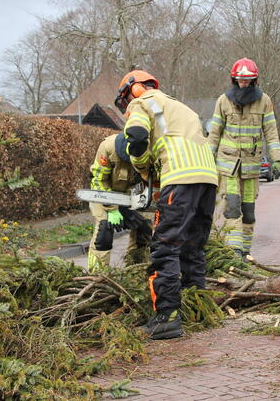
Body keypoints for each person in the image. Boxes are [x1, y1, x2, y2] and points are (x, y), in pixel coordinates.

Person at [115, 69, 218, 340]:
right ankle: (197, 309)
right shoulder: (182, 107)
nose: (127, 105)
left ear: (134, 89)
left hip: (180, 177)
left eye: (126, 98)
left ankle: (167, 317)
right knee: (192, 248)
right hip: (207, 178)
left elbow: (136, 137)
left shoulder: (142, 103)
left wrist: (142, 165)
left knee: (164, 248)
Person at [207, 58, 280, 259]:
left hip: (251, 167)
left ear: (254, 80)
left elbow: (271, 132)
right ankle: (234, 253)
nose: (243, 83)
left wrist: (277, 159)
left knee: (248, 211)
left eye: (247, 80)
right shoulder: (223, 101)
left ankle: (246, 252)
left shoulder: (264, 101)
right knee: (232, 207)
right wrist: (207, 159)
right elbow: (214, 133)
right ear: (234, 79)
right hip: (228, 166)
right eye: (240, 79)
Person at [87, 133, 152, 271]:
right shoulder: (108, 148)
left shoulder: (149, 150)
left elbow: (149, 181)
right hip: (103, 194)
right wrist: (112, 207)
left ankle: (135, 268)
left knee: (144, 228)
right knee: (104, 231)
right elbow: (98, 180)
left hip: (130, 196)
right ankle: (97, 274)